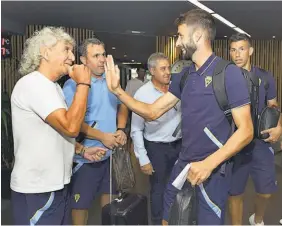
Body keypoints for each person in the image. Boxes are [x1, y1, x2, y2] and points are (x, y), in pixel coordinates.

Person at [104, 9, 254, 225]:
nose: (177, 43)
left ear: (198, 36)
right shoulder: (184, 75)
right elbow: (152, 111)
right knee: (169, 220)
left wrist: (208, 164)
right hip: (183, 164)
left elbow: (246, 131)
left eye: (181, 36)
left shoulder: (228, 73)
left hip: (212, 170)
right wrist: (118, 91)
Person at [10, 27, 106, 225]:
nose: (72, 57)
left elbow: (57, 131)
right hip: (38, 189)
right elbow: (71, 127)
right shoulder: (33, 84)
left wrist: (81, 149)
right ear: (46, 53)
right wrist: (83, 84)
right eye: (66, 50)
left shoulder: (52, 87)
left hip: (56, 185)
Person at [63, 38, 128, 225]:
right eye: (96, 55)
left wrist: (121, 128)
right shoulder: (72, 85)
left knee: (110, 204)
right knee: (80, 207)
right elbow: (71, 123)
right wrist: (103, 137)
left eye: (103, 54)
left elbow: (123, 105)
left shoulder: (111, 82)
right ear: (84, 60)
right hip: (85, 159)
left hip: (110, 157)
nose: (102, 60)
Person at [228, 33, 282, 226]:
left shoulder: (265, 77)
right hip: (234, 143)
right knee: (235, 193)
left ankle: (257, 219)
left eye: (241, 49)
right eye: (233, 50)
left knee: (266, 192)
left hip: (259, 142)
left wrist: (279, 127)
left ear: (250, 51)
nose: (237, 54)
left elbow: (274, 105)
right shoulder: (225, 78)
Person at [131, 52, 182, 224]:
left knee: (179, 186)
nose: (168, 72)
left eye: (169, 68)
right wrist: (143, 158)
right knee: (158, 189)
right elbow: (136, 129)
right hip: (156, 148)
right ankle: (158, 221)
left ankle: (176, 219)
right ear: (152, 71)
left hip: (179, 146)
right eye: (163, 69)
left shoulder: (177, 88)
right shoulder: (142, 94)